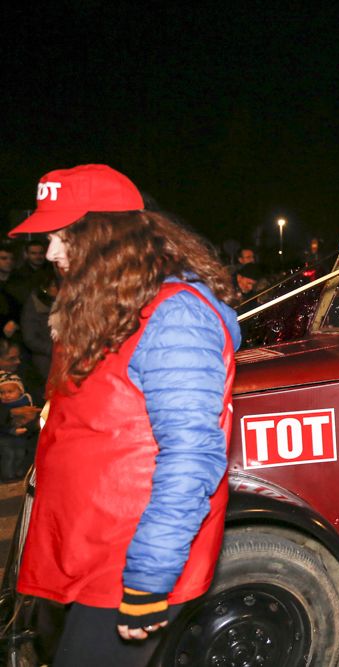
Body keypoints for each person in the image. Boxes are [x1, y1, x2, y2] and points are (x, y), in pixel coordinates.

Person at [11, 164, 241, 665]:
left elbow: (191, 455)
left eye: (62, 236)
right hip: (88, 544)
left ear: (109, 238)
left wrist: (147, 577)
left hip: (129, 559)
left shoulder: (174, 316)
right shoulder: (110, 307)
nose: (50, 252)